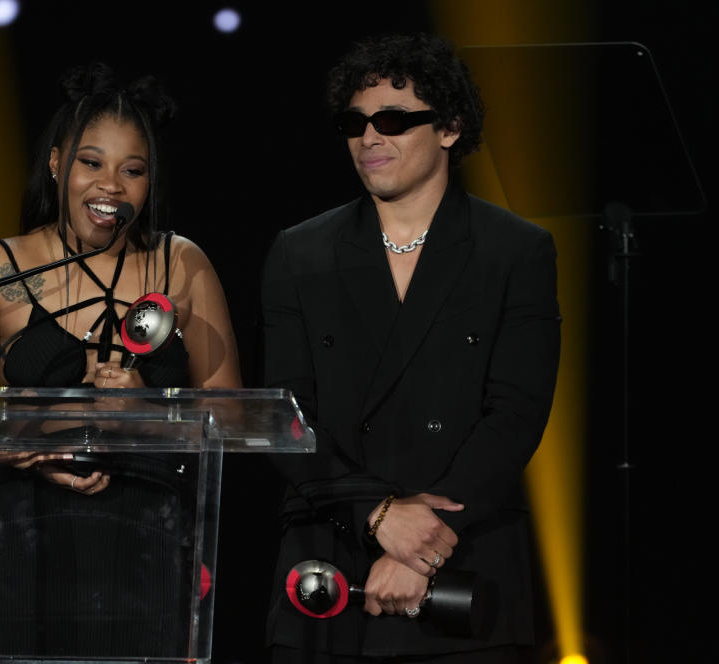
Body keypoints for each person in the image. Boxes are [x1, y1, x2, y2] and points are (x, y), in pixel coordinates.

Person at [0, 62, 241, 657]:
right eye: (91, 163)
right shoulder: (3, 270)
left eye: (133, 170)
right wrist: (20, 445)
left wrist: (144, 410)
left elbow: (234, 415)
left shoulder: (181, 265)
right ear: (56, 163)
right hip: (27, 540)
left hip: (151, 542)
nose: (111, 185)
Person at [260, 33, 561, 663]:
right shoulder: (300, 251)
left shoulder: (515, 250)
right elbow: (286, 414)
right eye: (354, 122)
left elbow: (517, 412)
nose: (369, 138)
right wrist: (377, 515)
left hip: (466, 557)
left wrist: (428, 540)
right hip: (334, 559)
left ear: (449, 128)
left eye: (393, 120)